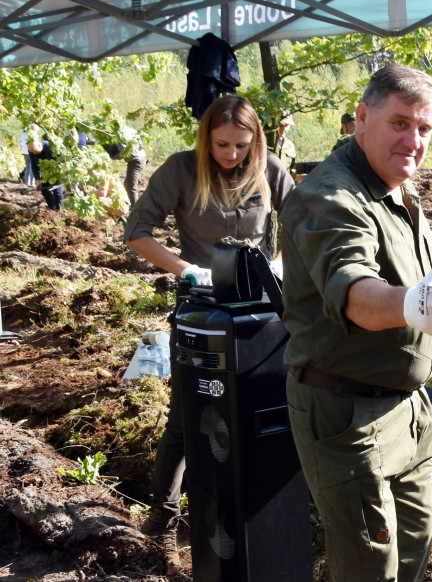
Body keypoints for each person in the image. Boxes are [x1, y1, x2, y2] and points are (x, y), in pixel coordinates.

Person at [279, 64, 432, 582]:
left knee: (413, 555)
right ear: (362, 118)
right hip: (348, 415)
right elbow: (354, 291)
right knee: (368, 569)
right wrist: (411, 305)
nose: (414, 140)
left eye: (425, 128)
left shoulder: (395, 188)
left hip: (408, 410)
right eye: (400, 123)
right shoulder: (332, 194)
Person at [123, 94, 294, 569]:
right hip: (202, 312)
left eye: (241, 145)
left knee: (264, 409)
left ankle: (265, 501)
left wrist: (276, 266)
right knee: (189, 413)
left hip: (261, 313)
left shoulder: (269, 169)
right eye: (222, 144)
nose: (232, 154)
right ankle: (164, 514)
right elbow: (137, 230)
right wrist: (187, 269)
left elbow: (305, 223)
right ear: (206, 139)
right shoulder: (181, 171)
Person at [26, 137, 62, 211]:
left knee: (57, 192)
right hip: (45, 173)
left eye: (35, 151)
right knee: (45, 191)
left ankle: (60, 210)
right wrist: (37, 179)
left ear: (39, 145)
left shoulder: (51, 147)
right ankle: (52, 209)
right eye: (32, 152)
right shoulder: (32, 150)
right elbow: (34, 165)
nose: (34, 153)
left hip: (57, 172)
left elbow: (61, 160)